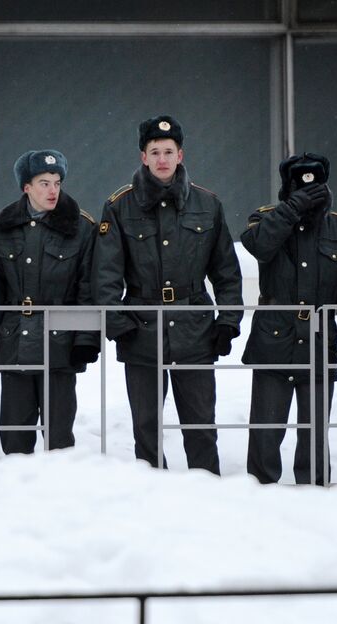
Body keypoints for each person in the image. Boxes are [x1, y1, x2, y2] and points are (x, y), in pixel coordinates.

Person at [92, 115, 242, 472]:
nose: (162, 159)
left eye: (168, 151)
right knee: (146, 427)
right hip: (142, 328)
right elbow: (105, 275)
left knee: (201, 425)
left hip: (195, 327)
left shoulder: (208, 205)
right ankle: (151, 498)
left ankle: (207, 493)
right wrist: (118, 323)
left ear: (181, 155)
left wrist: (229, 322)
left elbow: (227, 272)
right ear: (143, 157)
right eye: (154, 151)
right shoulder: (119, 206)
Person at [240, 151, 337, 485]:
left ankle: (314, 488)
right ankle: (260, 490)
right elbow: (260, 246)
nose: (309, 194)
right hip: (273, 336)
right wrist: (292, 207)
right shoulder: (265, 218)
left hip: (319, 338)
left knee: (314, 431)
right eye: (300, 187)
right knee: (266, 430)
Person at [0, 149, 98, 454]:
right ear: (26, 187)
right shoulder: (1, 227)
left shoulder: (82, 228)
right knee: (15, 438)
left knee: (59, 440)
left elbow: (88, 289)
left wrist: (86, 339)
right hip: (14, 343)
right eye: (44, 183)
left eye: (57, 182)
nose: (53, 190)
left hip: (61, 347)